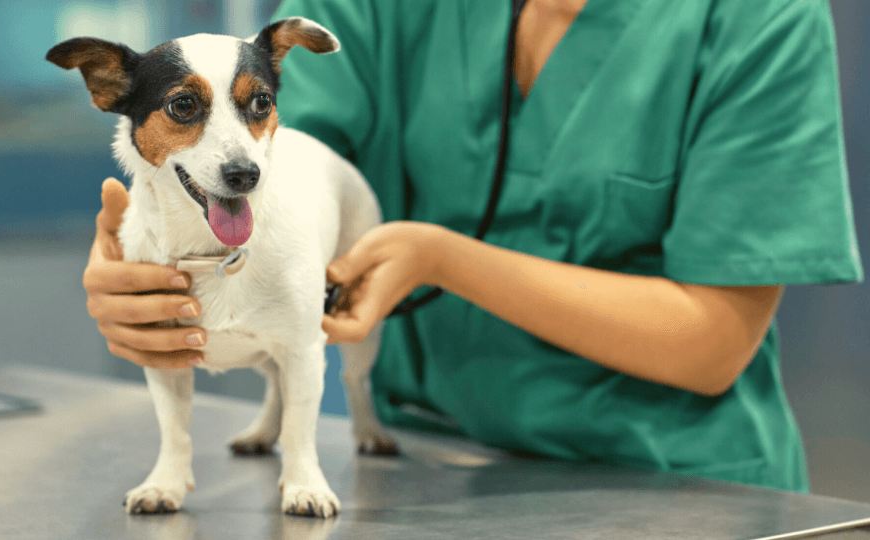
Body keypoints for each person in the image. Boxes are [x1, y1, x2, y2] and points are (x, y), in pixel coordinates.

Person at [83, 0, 863, 493]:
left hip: (678, 487)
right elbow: (271, 152)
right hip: (423, 470)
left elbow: (713, 341)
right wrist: (147, 253)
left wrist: (443, 259)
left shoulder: (759, 19)